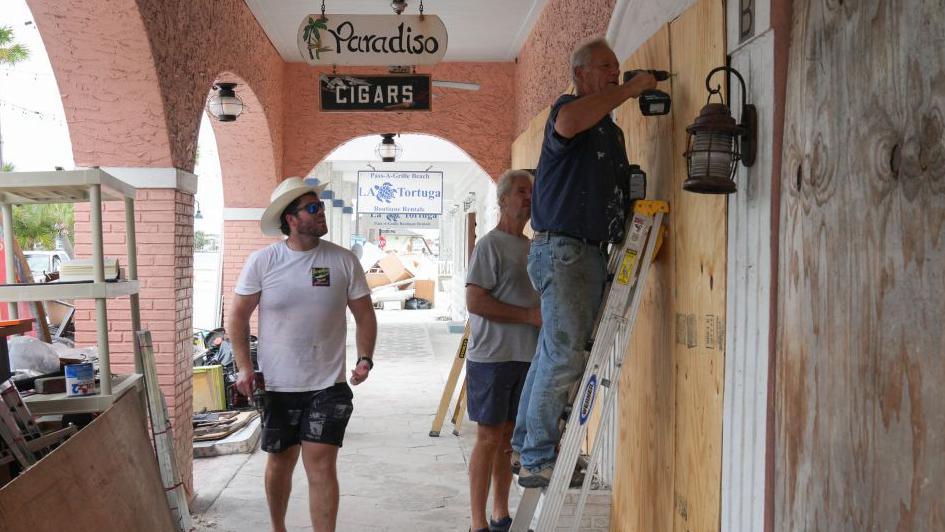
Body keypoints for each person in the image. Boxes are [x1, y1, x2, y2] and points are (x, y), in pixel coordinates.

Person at [512, 37, 657, 488]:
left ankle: (525, 447)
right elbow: (571, 120)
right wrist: (632, 90)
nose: (615, 73)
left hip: (584, 252)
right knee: (563, 356)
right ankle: (538, 458)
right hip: (567, 251)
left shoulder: (610, 131)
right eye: (605, 67)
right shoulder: (568, 109)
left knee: (552, 354)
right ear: (580, 74)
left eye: (617, 67)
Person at [229, 177, 377, 532]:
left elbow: (364, 314)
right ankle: (278, 527)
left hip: (328, 383)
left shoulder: (342, 260)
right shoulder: (263, 262)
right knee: (281, 463)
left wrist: (364, 358)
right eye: (313, 208)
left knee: (322, 464)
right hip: (278, 384)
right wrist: (244, 368)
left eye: (320, 205)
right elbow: (237, 316)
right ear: (291, 218)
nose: (321, 211)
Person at [464, 170, 542, 532]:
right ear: (503, 200)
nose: (528, 197)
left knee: (509, 438)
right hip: (491, 357)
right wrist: (528, 316)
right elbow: (475, 300)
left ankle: (500, 513)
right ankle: (477, 522)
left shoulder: (532, 247)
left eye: (531, 191)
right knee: (488, 437)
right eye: (521, 191)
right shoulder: (490, 245)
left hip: (526, 356)